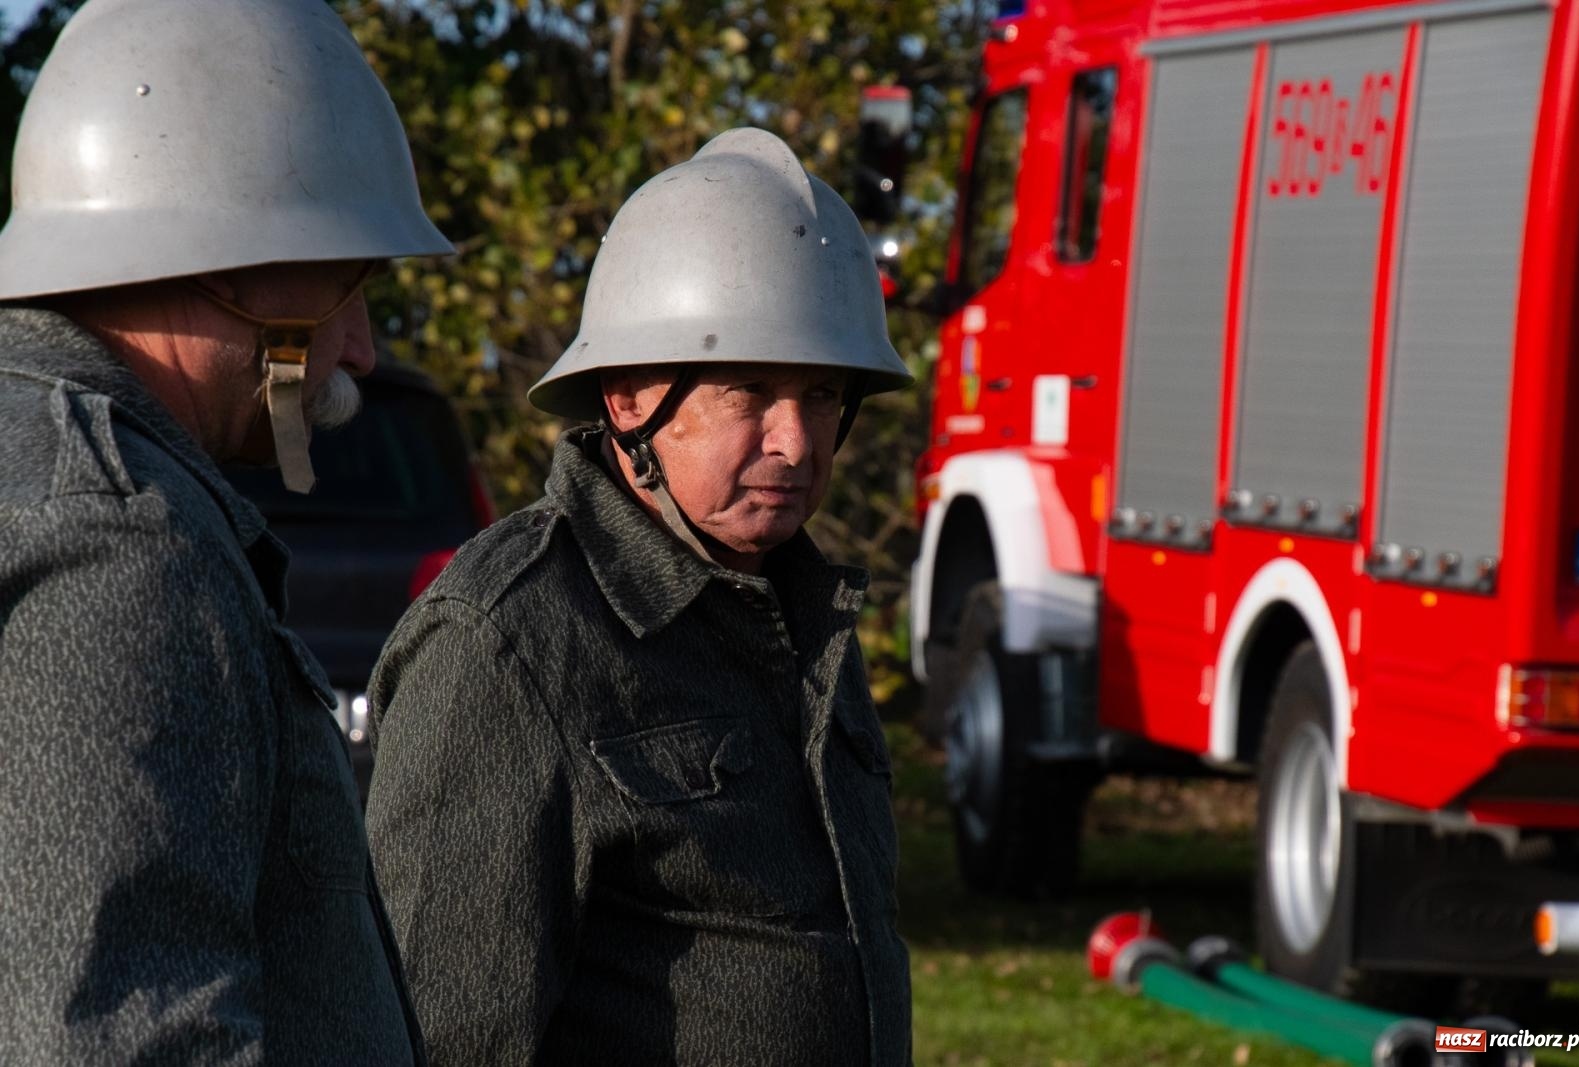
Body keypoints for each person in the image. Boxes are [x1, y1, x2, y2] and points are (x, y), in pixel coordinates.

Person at [365, 127, 915, 1065]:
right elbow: (432, 1035)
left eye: (822, 395)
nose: (794, 440)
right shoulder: (506, 642)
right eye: (749, 389)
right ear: (627, 398)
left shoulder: (804, 612)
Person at [0, 0, 453, 1062]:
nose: (361, 346)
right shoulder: (115, 538)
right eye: (350, 286)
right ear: (233, 257)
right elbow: (128, 1034)